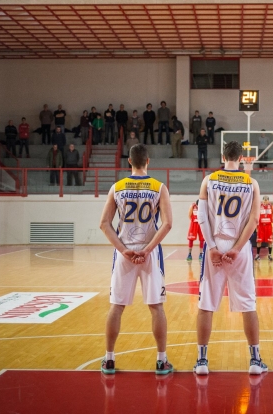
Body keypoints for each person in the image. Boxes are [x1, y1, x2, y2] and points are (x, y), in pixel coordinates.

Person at [99, 144, 173, 375]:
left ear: (129, 161)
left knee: (117, 307)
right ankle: (161, 361)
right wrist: (149, 249)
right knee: (156, 307)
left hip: (125, 252)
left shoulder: (117, 187)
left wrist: (123, 250)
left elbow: (104, 224)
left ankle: (109, 359)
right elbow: (168, 223)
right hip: (150, 253)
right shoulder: (159, 187)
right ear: (148, 161)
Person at [194, 141, 266, 376]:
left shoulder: (209, 180)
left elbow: (201, 217)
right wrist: (237, 247)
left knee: (206, 305)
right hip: (240, 246)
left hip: (214, 243)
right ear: (242, 157)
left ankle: (202, 361)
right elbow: (253, 221)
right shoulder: (251, 183)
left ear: (222, 155)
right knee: (248, 304)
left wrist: (212, 247)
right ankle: (255, 361)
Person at [256, 196, 273, 261]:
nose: (265, 202)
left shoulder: (271, 206)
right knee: (259, 241)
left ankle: (269, 255)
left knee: (270, 241)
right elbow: (256, 215)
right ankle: (257, 255)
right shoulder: (259, 206)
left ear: (268, 201)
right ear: (262, 200)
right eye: (264, 200)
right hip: (261, 226)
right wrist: (256, 226)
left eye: (266, 200)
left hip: (268, 226)